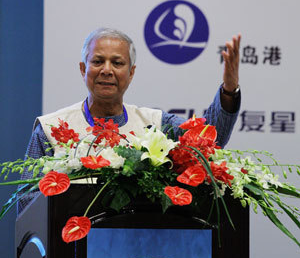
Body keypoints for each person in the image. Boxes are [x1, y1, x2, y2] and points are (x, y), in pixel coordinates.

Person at [17, 27, 241, 214]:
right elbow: (27, 206)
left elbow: (210, 140)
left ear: (131, 72)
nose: (107, 70)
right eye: (97, 61)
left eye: (117, 63)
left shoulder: (155, 124)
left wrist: (229, 91)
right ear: (83, 69)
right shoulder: (51, 128)